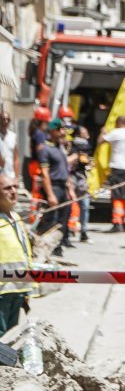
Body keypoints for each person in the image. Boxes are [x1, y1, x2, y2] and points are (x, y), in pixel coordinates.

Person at [0, 174, 33, 334]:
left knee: (11, 338)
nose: (13, 191)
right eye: (7, 188)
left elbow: (25, 251)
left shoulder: (16, 218)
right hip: (1, 290)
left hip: (18, 288)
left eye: (15, 187)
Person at [38, 119, 72, 256]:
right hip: (54, 187)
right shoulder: (45, 149)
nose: (62, 132)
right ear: (52, 131)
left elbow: (65, 169)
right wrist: (50, 194)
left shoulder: (59, 148)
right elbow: (45, 174)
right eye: (59, 129)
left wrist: (70, 190)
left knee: (63, 219)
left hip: (63, 188)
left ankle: (57, 247)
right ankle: (47, 248)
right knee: (51, 219)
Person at [100, 116, 125, 233]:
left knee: (117, 195)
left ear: (117, 123)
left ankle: (117, 223)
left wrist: (103, 132)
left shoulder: (116, 133)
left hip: (117, 167)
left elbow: (100, 141)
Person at [0, 110, 16, 181]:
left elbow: (16, 158)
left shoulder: (13, 136)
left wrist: (16, 176)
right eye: (3, 119)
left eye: (8, 119)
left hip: (10, 175)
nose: (6, 121)